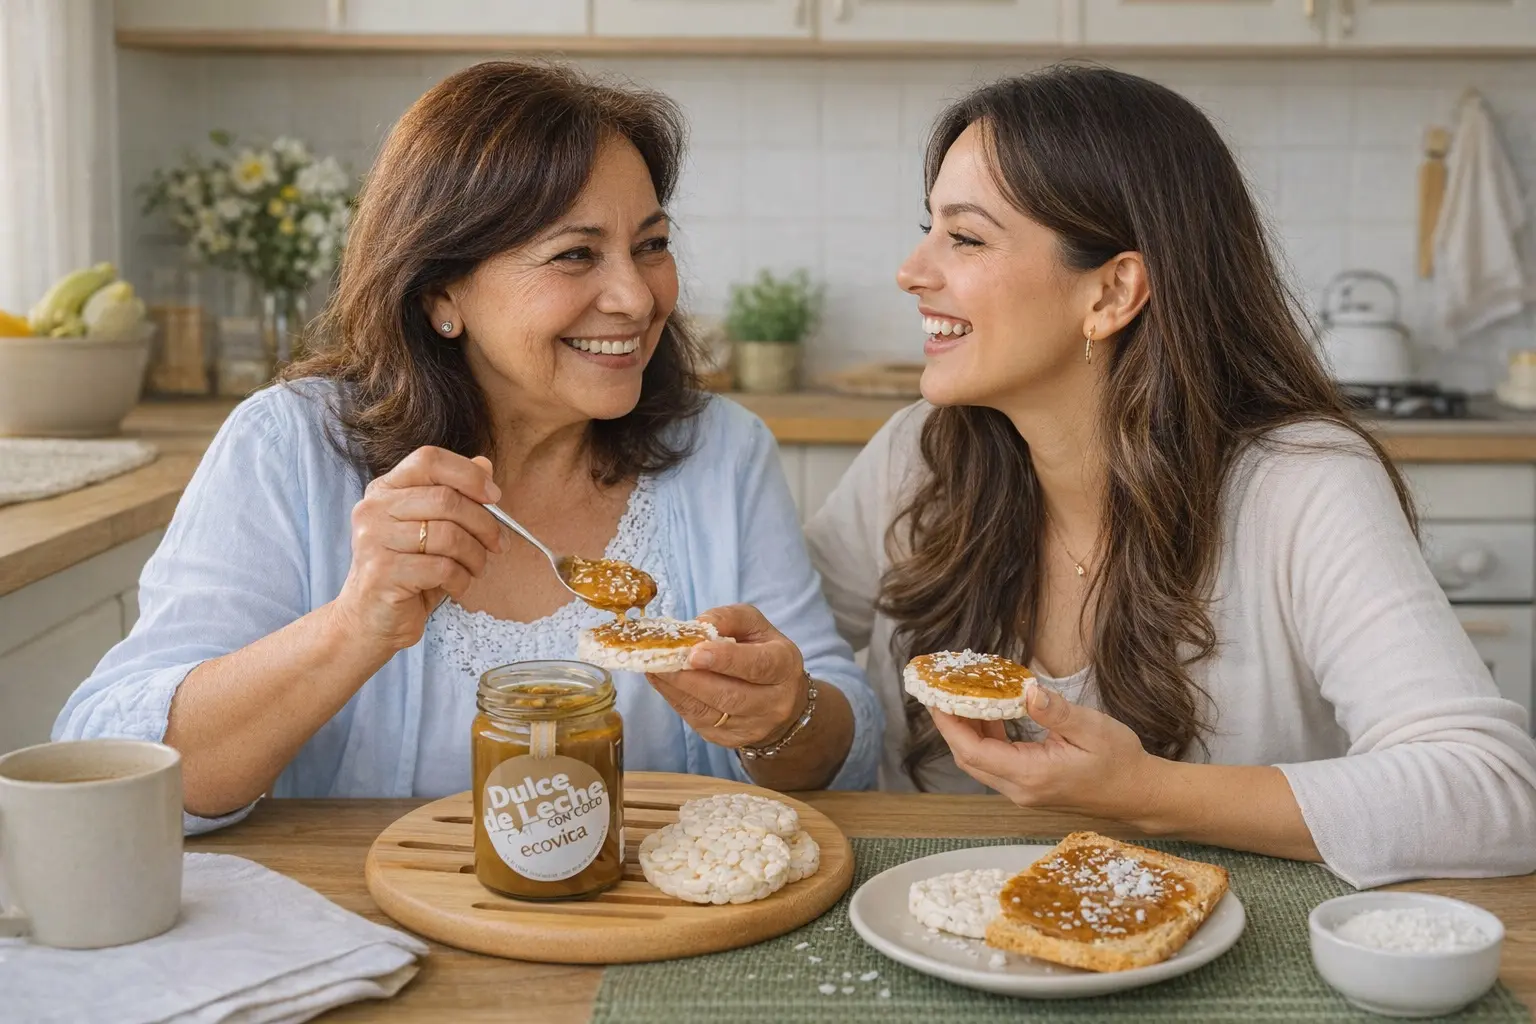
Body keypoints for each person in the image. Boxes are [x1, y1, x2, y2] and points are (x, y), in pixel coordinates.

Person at [56, 61, 880, 831]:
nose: (636, 296)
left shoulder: (720, 451)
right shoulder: (287, 448)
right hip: (360, 939)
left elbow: (843, 740)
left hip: (654, 942)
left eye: (651, 245)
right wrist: (354, 627)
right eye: (575, 255)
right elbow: (112, 762)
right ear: (443, 290)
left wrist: (784, 716)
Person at [806, 65, 1536, 887]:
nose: (912, 271)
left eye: (965, 238)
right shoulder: (918, 454)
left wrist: (1147, 792)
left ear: (1114, 291)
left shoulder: (1301, 484)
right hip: (924, 935)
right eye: (930, 229)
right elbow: (803, 665)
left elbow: (1493, 793)